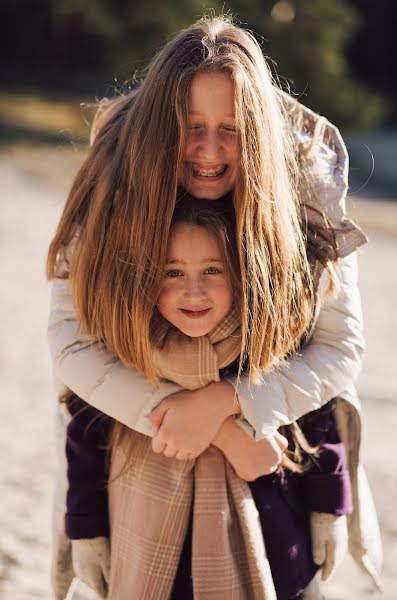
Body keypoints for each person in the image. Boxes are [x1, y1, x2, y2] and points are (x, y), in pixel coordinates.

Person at [46, 14, 382, 600]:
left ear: (256, 131)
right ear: (159, 126)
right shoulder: (115, 168)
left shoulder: (304, 172)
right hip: (143, 455)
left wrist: (232, 401)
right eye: (190, 126)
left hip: (276, 459)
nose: (207, 150)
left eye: (229, 129)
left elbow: (339, 347)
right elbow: (73, 341)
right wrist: (215, 427)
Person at [63, 200, 353, 599]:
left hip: (274, 540)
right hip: (151, 538)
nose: (193, 291)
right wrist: (86, 527)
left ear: (239, 273)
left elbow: (318, 417)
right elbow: (86, 440)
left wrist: (329, 506)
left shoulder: (268, 344)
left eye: (213, 271)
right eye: (173, 272)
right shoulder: (127, 349)